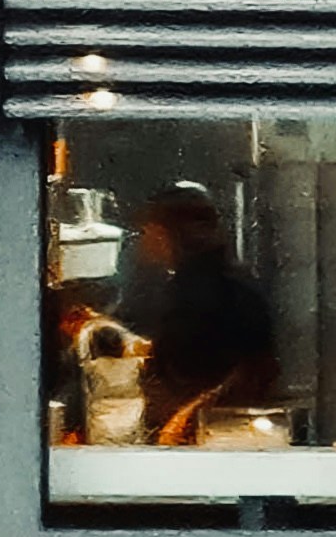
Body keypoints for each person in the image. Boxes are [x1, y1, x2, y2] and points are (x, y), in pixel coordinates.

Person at [118, 186, 280, 445]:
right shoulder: (200, 281)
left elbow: (255, 368)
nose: (140, 241)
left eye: (143, 231)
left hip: (214, 437)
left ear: (162, 234)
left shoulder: (206, 289)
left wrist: (189, 415)